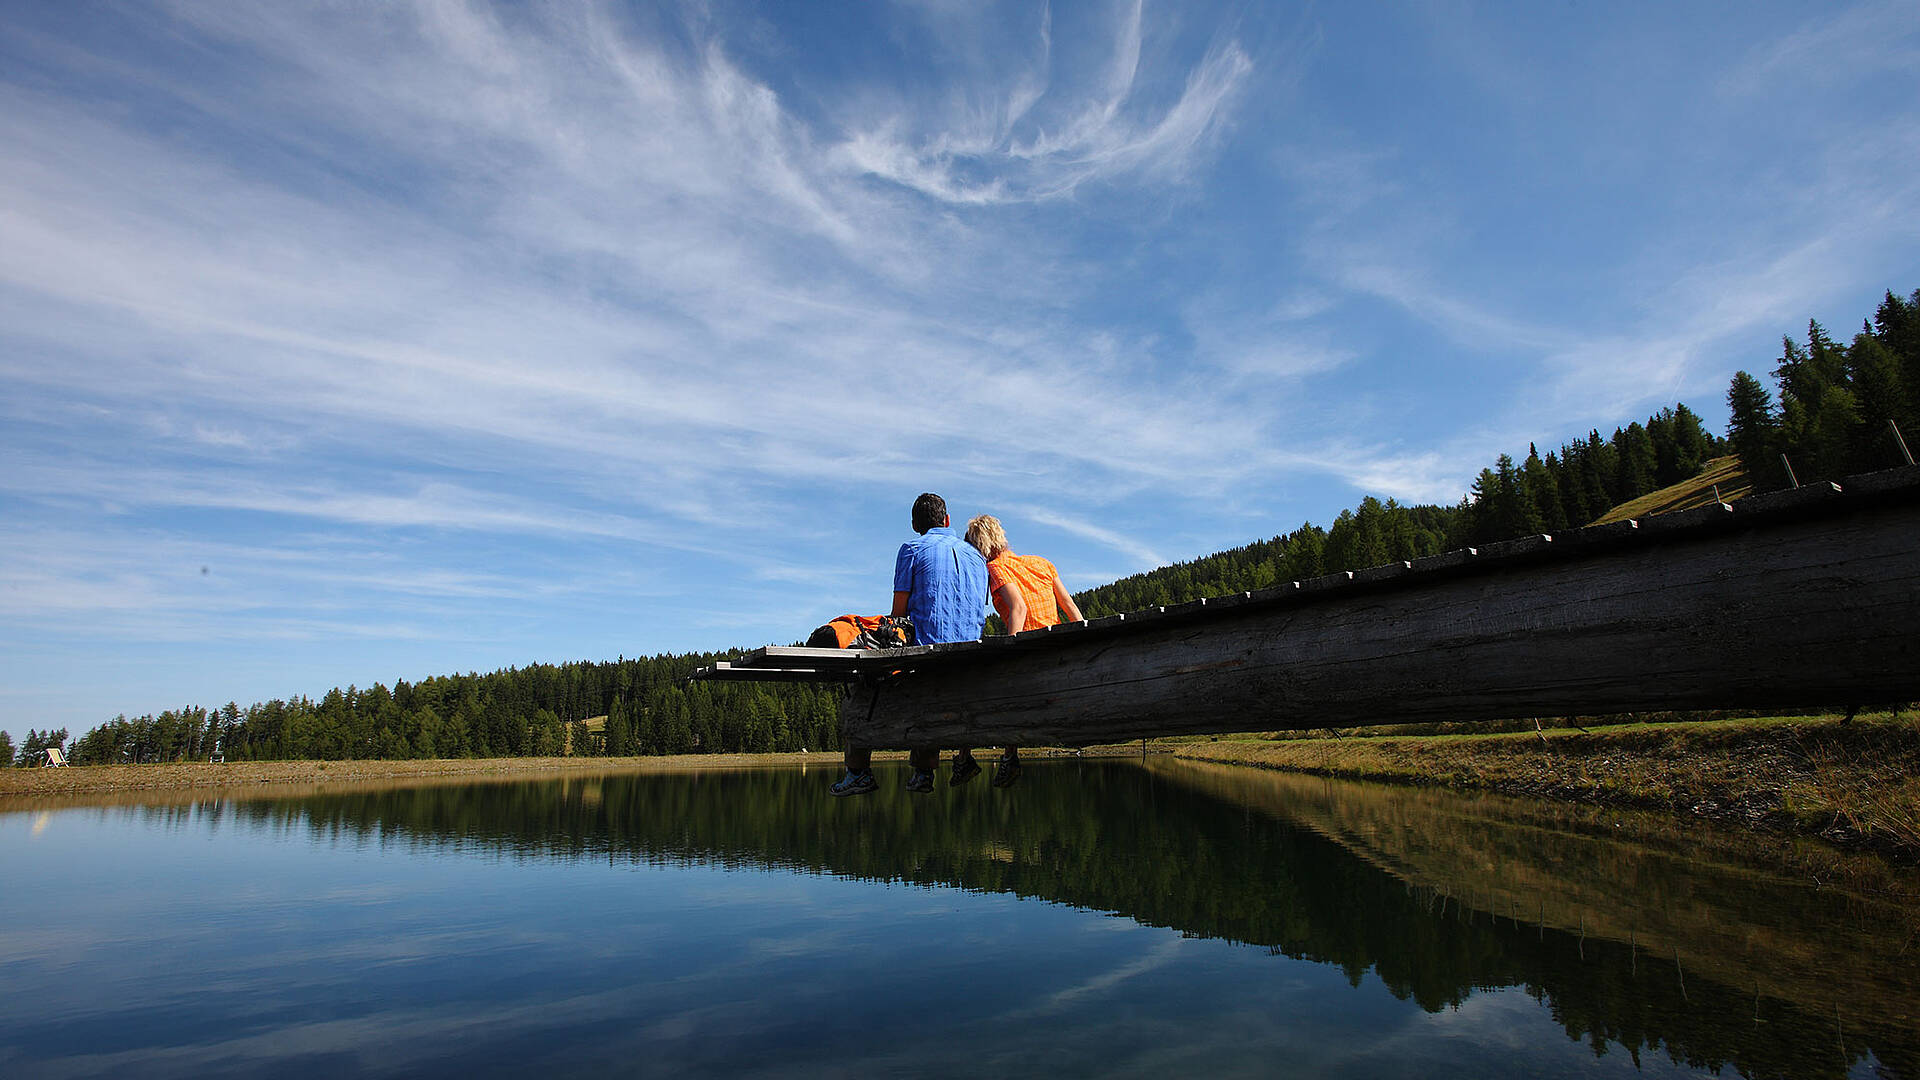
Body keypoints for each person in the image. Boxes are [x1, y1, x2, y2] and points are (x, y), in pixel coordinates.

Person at [831, 493, 989, 796]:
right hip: (971, 661)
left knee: (859, 692)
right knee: (928, 681)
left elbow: (898, 615)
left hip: (927, 662)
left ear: (915, 525)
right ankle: (922, 772)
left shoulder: (912, 549)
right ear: (947, 521)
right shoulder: (977, 558)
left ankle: (858, 772)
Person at [964, 514, 1084, 787]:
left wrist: (1011, 651)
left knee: (995, 693)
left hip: (1030, 648)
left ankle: (1003, 757)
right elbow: (1069, 606)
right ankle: (1006, 758)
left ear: (980, 545)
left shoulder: (995, 568)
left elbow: (1019, 608)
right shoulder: (1042, 562)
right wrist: (1083, 641)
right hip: (1056, 645)